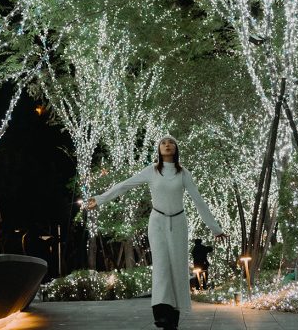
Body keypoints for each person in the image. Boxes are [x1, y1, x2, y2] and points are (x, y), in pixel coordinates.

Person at [86, 136, 227, 330]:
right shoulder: (151, 171)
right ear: (159, 149)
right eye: (163, 143)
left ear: (176, 148)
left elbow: (199, 201)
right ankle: (161, 312)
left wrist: (215, 229)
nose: (167, 145)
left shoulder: (183, 173)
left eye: (171, 142)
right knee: (161, 265)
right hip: (157, 222)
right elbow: (124, 185)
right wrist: (100, 199)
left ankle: (173, 316)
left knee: (177, 266)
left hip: (179, 223)